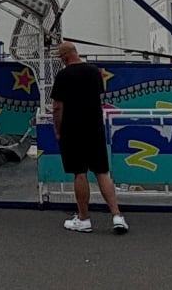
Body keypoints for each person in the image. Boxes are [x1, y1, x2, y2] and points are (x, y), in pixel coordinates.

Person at [50, 41, 128, 234]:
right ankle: (117, 215)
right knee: (102, 171)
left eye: (61, 58)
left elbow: (57, 107)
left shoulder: (63, 75)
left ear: (65, 56)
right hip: (94, 127)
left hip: (73, 129)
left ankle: (84, 218)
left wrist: (58, 130)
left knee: (80, 172)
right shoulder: (94, 72)